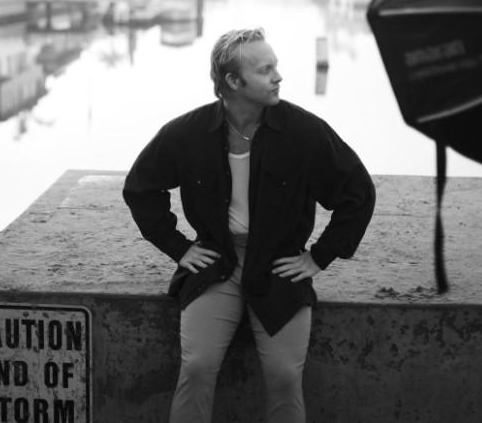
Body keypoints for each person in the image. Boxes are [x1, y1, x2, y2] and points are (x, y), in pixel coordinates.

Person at [122, 27, 376, 422]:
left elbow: (357, 193)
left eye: (275, 67)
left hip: (278, 268)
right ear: (233, 81)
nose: (278, 77)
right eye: (265, 70)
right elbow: (141, 187)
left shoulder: (304, 133)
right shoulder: (188, 133)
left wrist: (319, 257)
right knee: (197, 366)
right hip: (216, 263)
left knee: (284, 375)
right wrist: (179, 247)